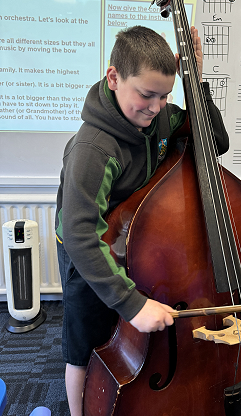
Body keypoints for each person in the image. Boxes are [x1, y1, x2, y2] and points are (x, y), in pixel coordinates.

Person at [55, 25, 229, 415]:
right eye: (146, 94)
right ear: (113, 77)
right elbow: (80, 233)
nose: (155, 106)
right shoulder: (93, 148)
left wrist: (195, 83)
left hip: (135, 237)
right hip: (89, 251)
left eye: (164, 96)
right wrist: (131, 304)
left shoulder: (161, 118)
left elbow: (215, 141)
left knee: (130, 342)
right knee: (85, 345)